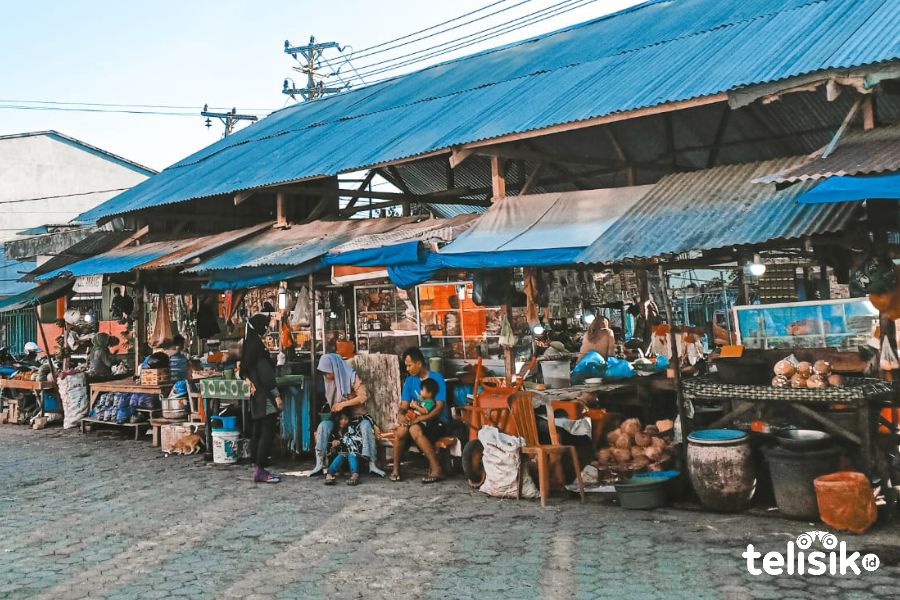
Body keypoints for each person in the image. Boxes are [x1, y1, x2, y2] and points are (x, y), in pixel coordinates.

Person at [308, 353, 385, 477]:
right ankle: (319, 464)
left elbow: (363, 396)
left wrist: (344, 404)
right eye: (324, 373)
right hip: (339, 419)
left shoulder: (351, 376)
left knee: (366, 426)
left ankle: (372, 464)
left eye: (328, 372)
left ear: (335, 368)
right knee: (323, 426)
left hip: (356, 419)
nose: (326, 376)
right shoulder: (328, 379)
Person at [391, 348, 448, 483]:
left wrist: (420, 418)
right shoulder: (409, 381)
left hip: (437, 422)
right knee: (402, 429)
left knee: (413, 428)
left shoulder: (436, 378)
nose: (407, 368)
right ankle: (395, 469)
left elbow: (439, 407)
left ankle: (436, 468)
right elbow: (404, 405)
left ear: (419, 364)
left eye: (409, 365)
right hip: (418, 421)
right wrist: (400, 416)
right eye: (406, 365)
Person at [239, 313, 283, 484]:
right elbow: (266, 375)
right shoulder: (258, 346)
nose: (266, 330)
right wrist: (277, 395)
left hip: (255, 396)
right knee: (267, 431)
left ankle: (257, 466)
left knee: (258, 431)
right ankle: (260, 469)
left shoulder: (249, 344)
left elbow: (243, 370)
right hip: (264, 396)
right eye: (266, 327)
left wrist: (248, 380)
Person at [324, 411, 362, 486]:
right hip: (338, 461)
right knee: (342, 454)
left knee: (351, 454)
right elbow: (328, 450)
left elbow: (354, 444)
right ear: (337, 419)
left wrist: (340, 442)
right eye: (341, 419)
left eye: (346, 419)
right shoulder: (333, 432)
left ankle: (355, 476)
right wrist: (333, 445)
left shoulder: (351, 430)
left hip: (352, 461)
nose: (343, 421)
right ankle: (329, 475)